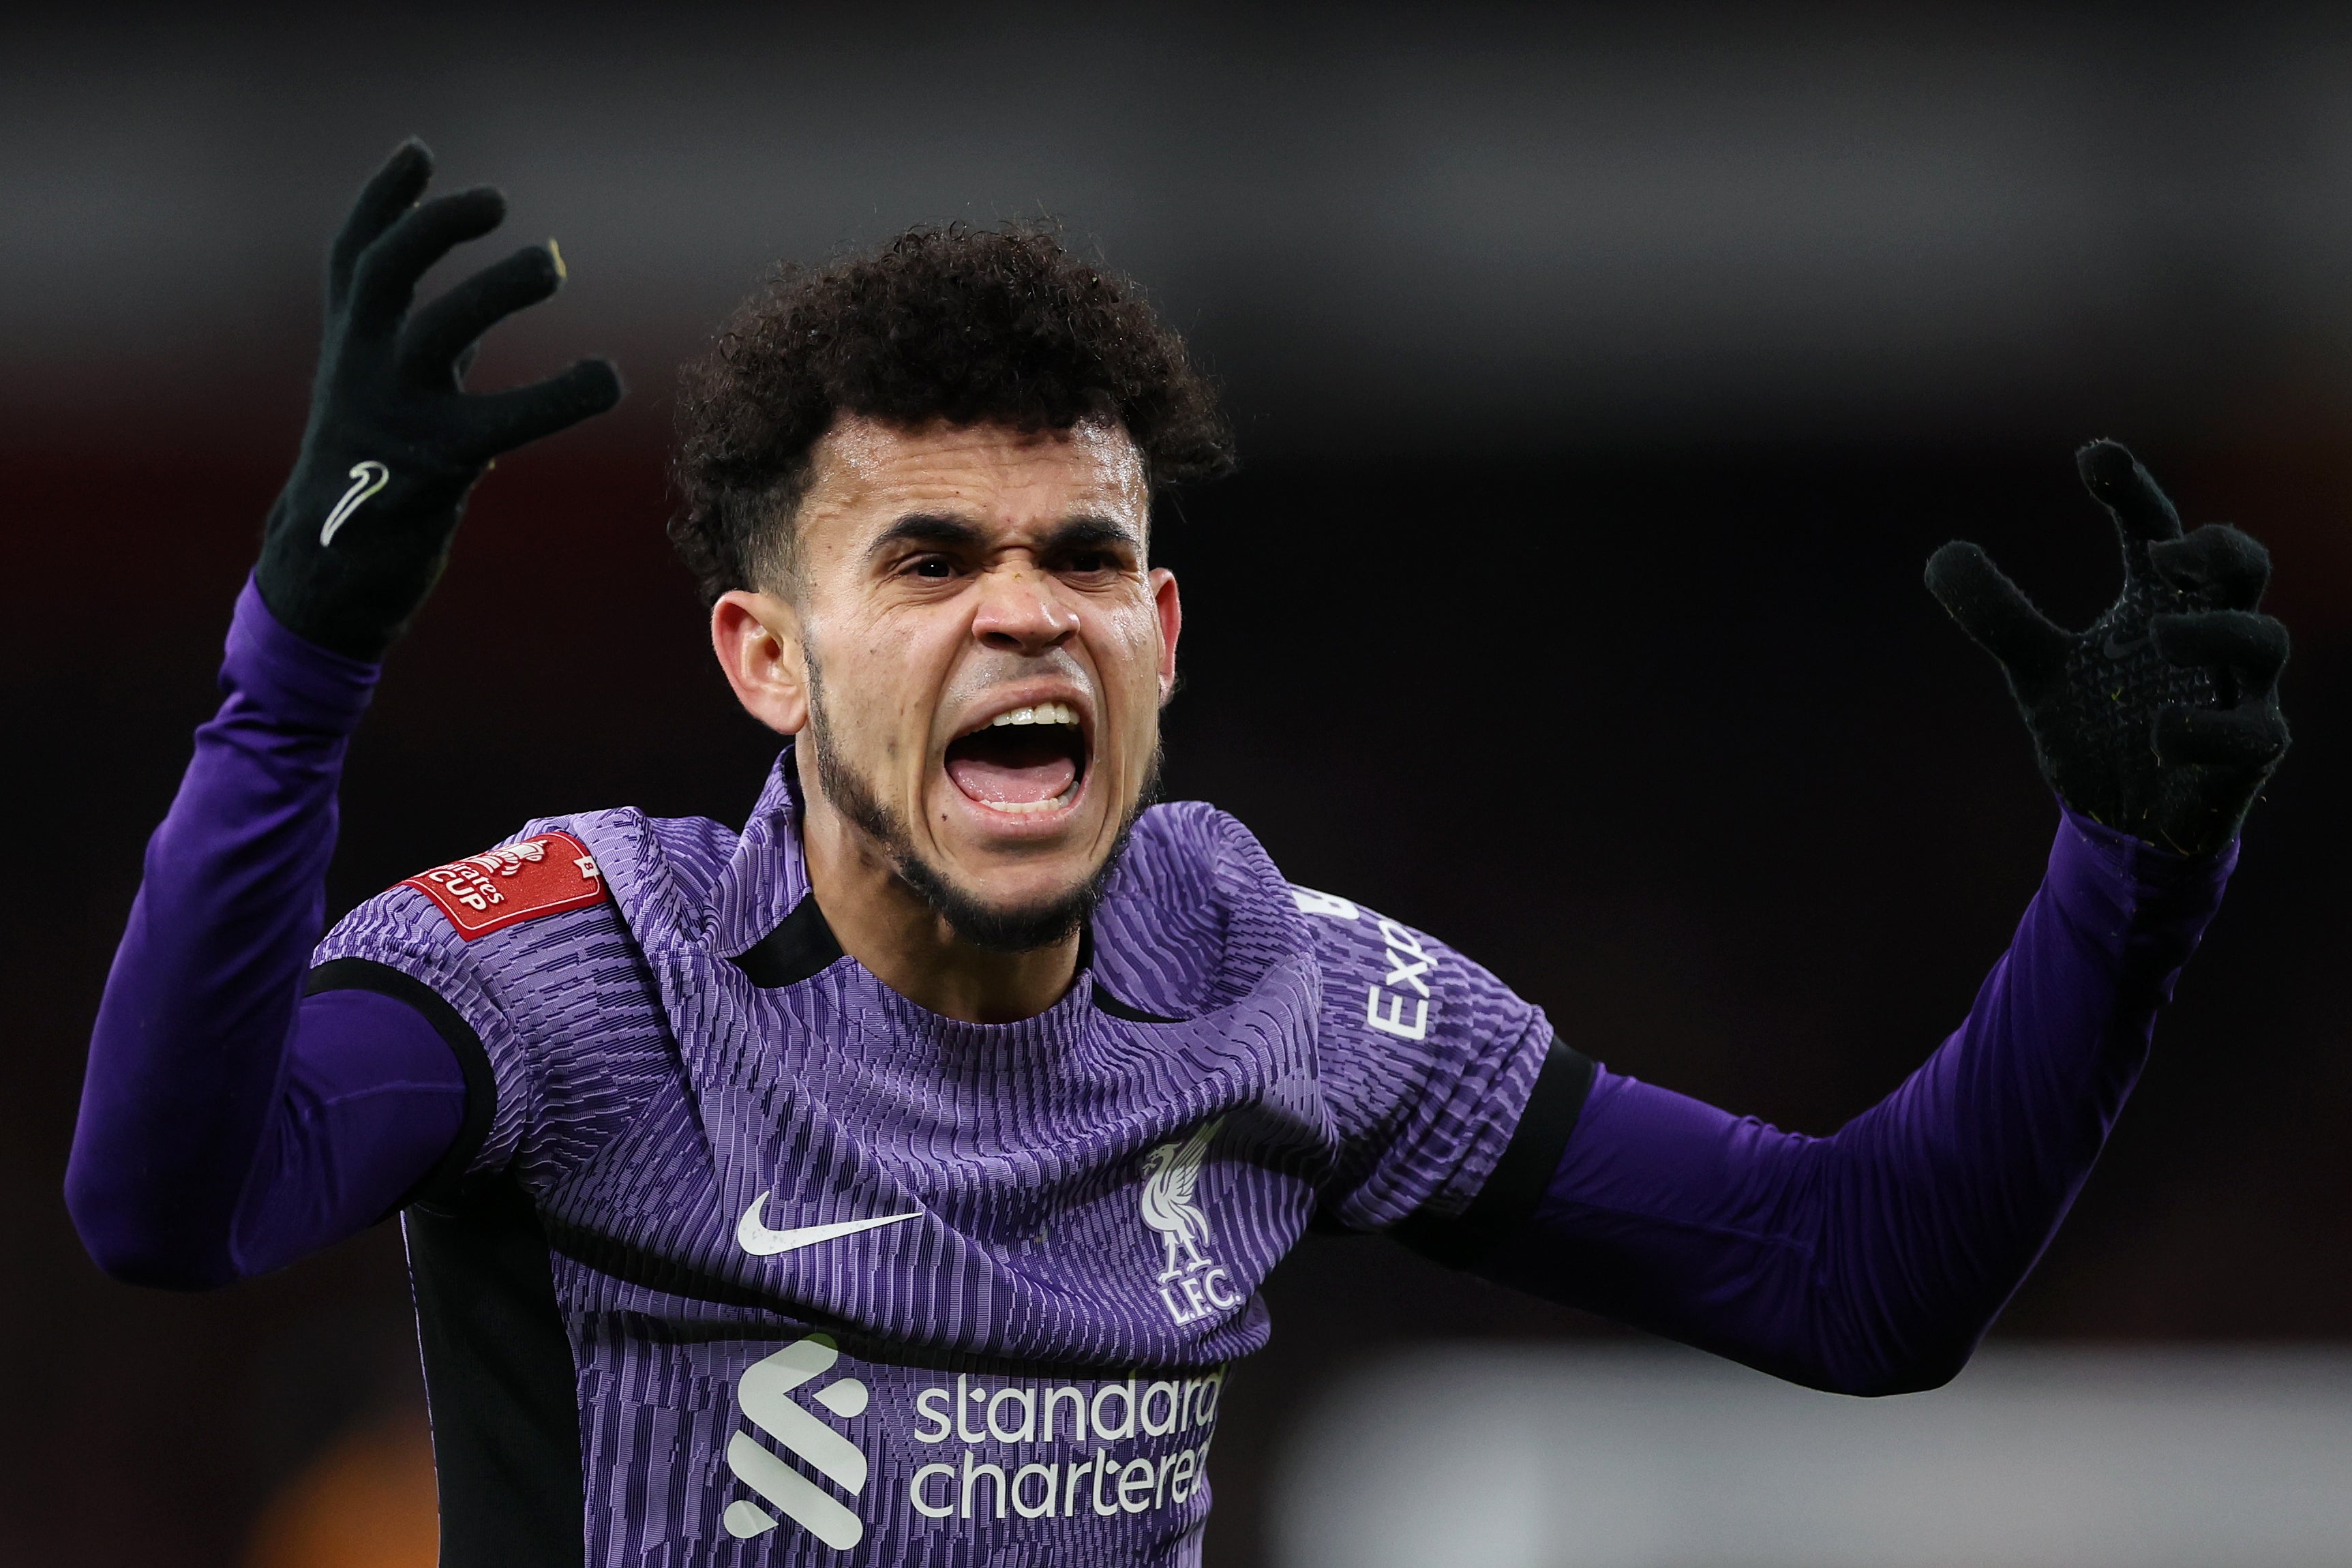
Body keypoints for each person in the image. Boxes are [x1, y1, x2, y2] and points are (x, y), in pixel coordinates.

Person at [67, 142, 2290, 1568]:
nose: (1019, 606)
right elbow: (166, 1201)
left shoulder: (1284, 989)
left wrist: (2127, 869)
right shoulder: (580, 968)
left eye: (1081, 554)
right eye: (926, 556)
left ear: (1157, 635)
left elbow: (1854, 1283)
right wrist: (304, 664)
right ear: (767, 657)